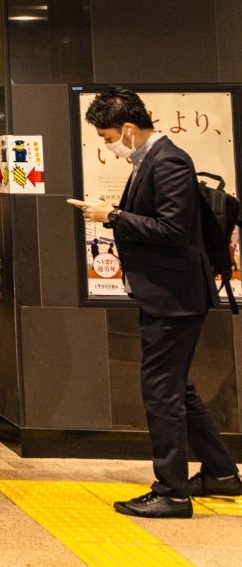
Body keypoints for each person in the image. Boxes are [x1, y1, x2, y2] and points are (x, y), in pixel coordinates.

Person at [76, 88, 241, 517]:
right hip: (171, 295)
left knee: (160, 392)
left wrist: (110, 216)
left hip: (175, 297)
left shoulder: (167, 160)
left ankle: (172, 492)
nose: (106, 143)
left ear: (129, 129)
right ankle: (222, 472)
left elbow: (172, 229)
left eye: (108, 134)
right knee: (176, 387)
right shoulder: (150, 159)